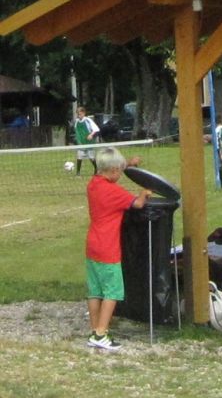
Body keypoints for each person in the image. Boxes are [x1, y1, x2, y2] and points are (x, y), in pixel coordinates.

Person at [85, 147, 151, 350]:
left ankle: (94, 330)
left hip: (92, 245)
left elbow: (111, 171)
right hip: (108, 248)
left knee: (95, 291)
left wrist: (128, 164)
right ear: (113, 170)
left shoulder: (93, 184)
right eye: (119, 170)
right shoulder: (114, 192)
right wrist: (144, 193)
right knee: (112, 292)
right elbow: (138, 204)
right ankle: (101, 333)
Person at [74, 106, 100, 176]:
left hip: (89, 143)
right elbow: (77, 131)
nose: (79, 116)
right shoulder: (76, 122)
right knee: (79, 157)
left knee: (91, 157)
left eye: (80, 114)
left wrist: (91, 135)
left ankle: (96, 169)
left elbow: (96, 129)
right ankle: (78, 173)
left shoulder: (88, 120)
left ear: (84, 113)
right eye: (78, 114)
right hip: (81, 143)